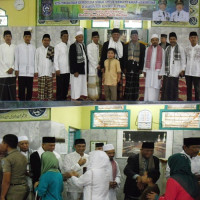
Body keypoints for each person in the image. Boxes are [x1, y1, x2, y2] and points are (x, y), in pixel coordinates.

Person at [1, 134, 29, 200]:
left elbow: (6, 180)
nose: (1, 145)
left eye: (2, 143)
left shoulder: (7, 159)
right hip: (24, 188)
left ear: (6, 144)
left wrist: (2, 195)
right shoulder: (23, 157)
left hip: (14, 191)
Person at [100, 28, 125, 100]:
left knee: (117, 84)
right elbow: (103, 56)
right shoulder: (106, 44)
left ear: (119, 35)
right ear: (112, 35)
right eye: (114, 34)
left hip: (118, 68)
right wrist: (102, 67)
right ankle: (109, 100)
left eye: (117, 34)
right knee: (108, 85)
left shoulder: (122, 44)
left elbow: (123, 57)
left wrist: (123, 68)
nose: (116, 36)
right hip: (108, 68)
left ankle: (117, 99)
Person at [163, 32, 186, 101]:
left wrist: (182, 69)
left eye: (173, 39)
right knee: (167, 90)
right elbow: (165, 60)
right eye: (171, 39)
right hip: (168, 72)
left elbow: (183, 60)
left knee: (174, 89)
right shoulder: (167, 49)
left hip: (176, 72)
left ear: (176, 39)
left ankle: (174, 102)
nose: (172, 40)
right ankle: (167, 102)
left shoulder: (180, 48)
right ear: (169, 40)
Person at [124, 30, 146, 101]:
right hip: (128, 66)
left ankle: (135, 97)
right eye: (133, 35)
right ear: (130, 37)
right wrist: (124, 67)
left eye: (135, 35)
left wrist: (141, 68)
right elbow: (124, 57)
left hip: (137, 67)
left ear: (137, 36)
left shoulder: (142, 46)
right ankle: (127, 97)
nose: (134, 37)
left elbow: (142, 58)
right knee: (128, 83)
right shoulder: (126, 45)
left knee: (136, 83)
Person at [15, 31, 36, 101]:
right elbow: (16, 59)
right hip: (22, 71)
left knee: (30, 89)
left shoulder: (33, 48)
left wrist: (35, 70)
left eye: (29, 37)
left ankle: (28, 103)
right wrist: (16, 69)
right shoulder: (19, 47)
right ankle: (21, 103)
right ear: (23, 37)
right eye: (26, 37)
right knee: (21, 89)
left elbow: (35, 60)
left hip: (30, 72)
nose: (27, 38)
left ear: (31, 38)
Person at [143, 34, 165, 101]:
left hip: (157, 72)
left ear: (158, 41)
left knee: (156, 87)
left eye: (156, 40)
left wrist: (161, 73)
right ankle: (147, 100)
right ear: (151, 41)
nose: (154, 41)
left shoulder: (162, 50)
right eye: (153, 40)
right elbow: (145, 59)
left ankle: (155, 101)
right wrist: (144, 70)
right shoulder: (147, 49)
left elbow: (163, 62)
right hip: (149, 71)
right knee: (148, 86)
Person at [35, 34, 54, 101]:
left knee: (49, 90)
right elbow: (36, 61)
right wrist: (36, 71)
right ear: (42, 41)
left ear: (49, 41)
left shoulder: (51, 49)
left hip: (49, 73)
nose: (46, 42)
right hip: (41, 73)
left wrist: (53, 71)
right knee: (41, 91)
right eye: (45, 40)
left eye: (48, 40)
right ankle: (41, 104)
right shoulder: (38, 50)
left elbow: (53, 61)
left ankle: (50, 104)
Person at [69, 31, 88, 101]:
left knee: (80, 84)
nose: (81, 38)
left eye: (82, 37)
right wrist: (74, 71)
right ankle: (74, 98)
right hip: (76, 70)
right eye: (79, 37)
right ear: (76, 38)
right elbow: (72, 59)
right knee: (75, 84)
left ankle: (78, 96)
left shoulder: (83, 45)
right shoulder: (73, 46)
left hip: (82, 68)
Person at [54, 30, 70, 101]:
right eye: (64, 36)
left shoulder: (69, 45)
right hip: (60, 70)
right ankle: (59, 99)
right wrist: (57, 68)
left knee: (66, 86)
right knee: (60, 86)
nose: (66, 37)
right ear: (61, 37)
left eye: (67, 36)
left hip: (68, 70)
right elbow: (55, 58)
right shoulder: (58, 46)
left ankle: (64, 98)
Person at [0, 30, 16, 100]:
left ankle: (12, 108)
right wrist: (7, 69)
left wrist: (12, 68)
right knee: (3, 92)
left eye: (9, 36)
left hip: (12, 73)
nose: (8, 38)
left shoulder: (15, 47)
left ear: (11, 37)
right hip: (3, 73)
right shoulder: (1, 47)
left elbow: (17, 59)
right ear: (4, 38)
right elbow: (0, 60)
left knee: (12, 91)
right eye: (6, 36)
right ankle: (3, 109)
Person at [185, 31, 200, 101]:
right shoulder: (186, 49)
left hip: (197, 73)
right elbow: (184, 60)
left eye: (195, 37)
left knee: (197, 90)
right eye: (192, 37)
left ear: (197, 38)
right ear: (189, 39)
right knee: (188, 89)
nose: (193, 39)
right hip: (188, 72)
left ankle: (198, 104)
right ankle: (189, 103)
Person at [18, 136, 34, 200]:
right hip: (20, 180)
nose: (25, 145)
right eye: (22, 144)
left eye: (26, 143)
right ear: (18, 145)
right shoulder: (17, 154)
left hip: (31, 178)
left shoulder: (33, 153)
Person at [87, 31, 102, 100]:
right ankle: (92, 97)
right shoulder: (89, 46)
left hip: (99, 68)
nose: (96, 38)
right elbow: (90, 57)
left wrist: (100, 65)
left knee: (98, 84)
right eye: (94, 37)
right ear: (92, 38)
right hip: (92, 68)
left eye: (97, 37)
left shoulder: (100, 46)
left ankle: (98, 97)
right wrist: (96, 65)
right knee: (92, 84)